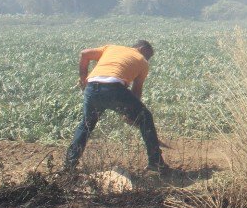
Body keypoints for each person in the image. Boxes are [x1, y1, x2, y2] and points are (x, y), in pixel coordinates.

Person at [65, 40, 169, 173]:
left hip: (92, 88)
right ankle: (156, 162)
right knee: (146, 117)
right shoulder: (142, 62)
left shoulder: (111, 48)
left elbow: (84, 54)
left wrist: (83, 78)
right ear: (141, 48)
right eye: (148, 55)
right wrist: (131, 115)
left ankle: (69, 165)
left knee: (86, 125)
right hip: (114, 88)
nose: (147, 58)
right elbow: (136, 91)